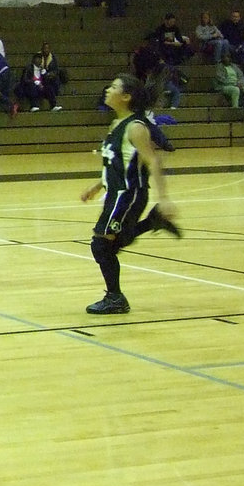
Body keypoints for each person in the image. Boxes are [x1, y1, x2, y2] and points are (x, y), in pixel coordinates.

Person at [79, 74, 181, 314]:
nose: (107, 89)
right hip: (116, 192)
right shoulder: (116, 125)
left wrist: (164, 198)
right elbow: (116, 163)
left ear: (126, 97)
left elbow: (153, 162)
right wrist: (98, 186)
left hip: (129, 194)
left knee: (101, 244)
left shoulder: (136, 127)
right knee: (108, 245)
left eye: (113, 87)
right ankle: (152, 222)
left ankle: (115, 298)